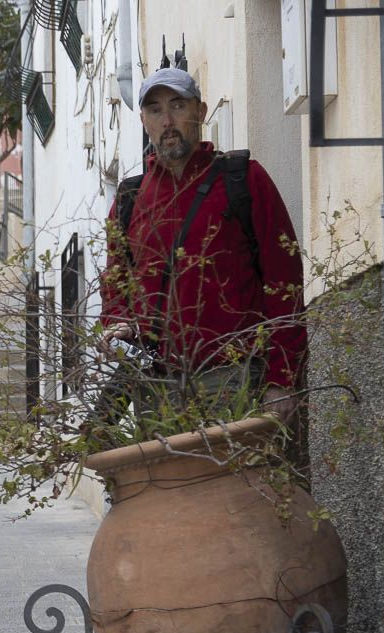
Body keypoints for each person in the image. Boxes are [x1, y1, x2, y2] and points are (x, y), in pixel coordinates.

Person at [99, 67, 306, 425]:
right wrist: (117, 323)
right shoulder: (131, 198)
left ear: (201, 111)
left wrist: (281, 380)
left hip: (237, 379)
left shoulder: (244, 179)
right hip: (158, 387)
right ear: (144, 120)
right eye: (155, 109)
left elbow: (284, 283)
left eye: (178, 105)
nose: (167, 120)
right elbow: (116, 286)